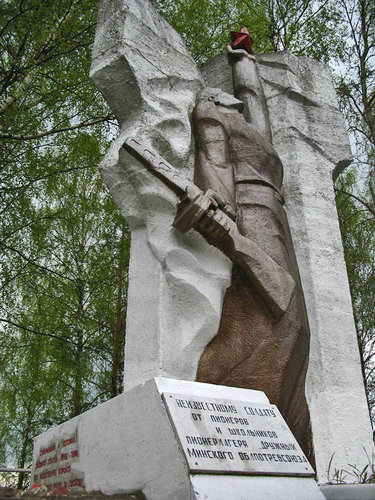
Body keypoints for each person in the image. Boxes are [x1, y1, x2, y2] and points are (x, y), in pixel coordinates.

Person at [193, 44, 315, 464]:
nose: (241, 98)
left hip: (274, 212)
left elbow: (254, 99)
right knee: (283, 321)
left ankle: (293, 453)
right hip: (252, 211)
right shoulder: (209, 110)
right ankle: (249, 429)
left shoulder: (248, 122)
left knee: (296, 326)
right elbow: (214, 162)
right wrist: (222, 220)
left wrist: (241, 61)